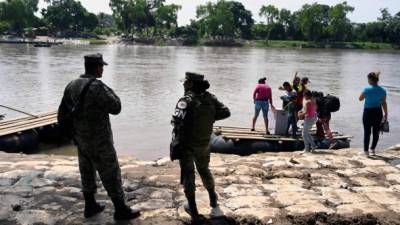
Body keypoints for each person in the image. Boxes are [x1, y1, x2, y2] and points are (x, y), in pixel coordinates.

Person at [58, 53, 140, 220]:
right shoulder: (97, 87)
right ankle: (120, 209)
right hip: (100, 141)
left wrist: (72, 135)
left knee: (86, 171)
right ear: (97, 68)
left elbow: (62, 112)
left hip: (81, 140)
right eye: (102, 66)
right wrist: (107, 89)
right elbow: (116, 107)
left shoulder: (72, 85)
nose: (103, 69)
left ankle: (90, 206)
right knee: (111, 172)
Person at [170, 72, 230, 223]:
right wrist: (208, 118)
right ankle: (213, 201)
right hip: (204, 143)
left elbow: (176, 121)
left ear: (190, 84)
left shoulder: (185, 100)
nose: (183, 84)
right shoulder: (210, 98)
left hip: (188, 146)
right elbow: (226, 112)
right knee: (204, 170)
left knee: (189, 175)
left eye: (185, 82)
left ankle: (193, 210)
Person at [359, 71, 388, 156]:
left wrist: (367, 96)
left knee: (367, 132)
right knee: (376, 132)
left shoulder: (367, 89)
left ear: (371, 80)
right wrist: (386, 114)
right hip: (378, 112)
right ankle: (372, 149)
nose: (368, 81)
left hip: (368, 112)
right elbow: (384, 103)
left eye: (368, 79)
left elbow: (360, 98)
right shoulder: (382, 90)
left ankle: (366, 151)